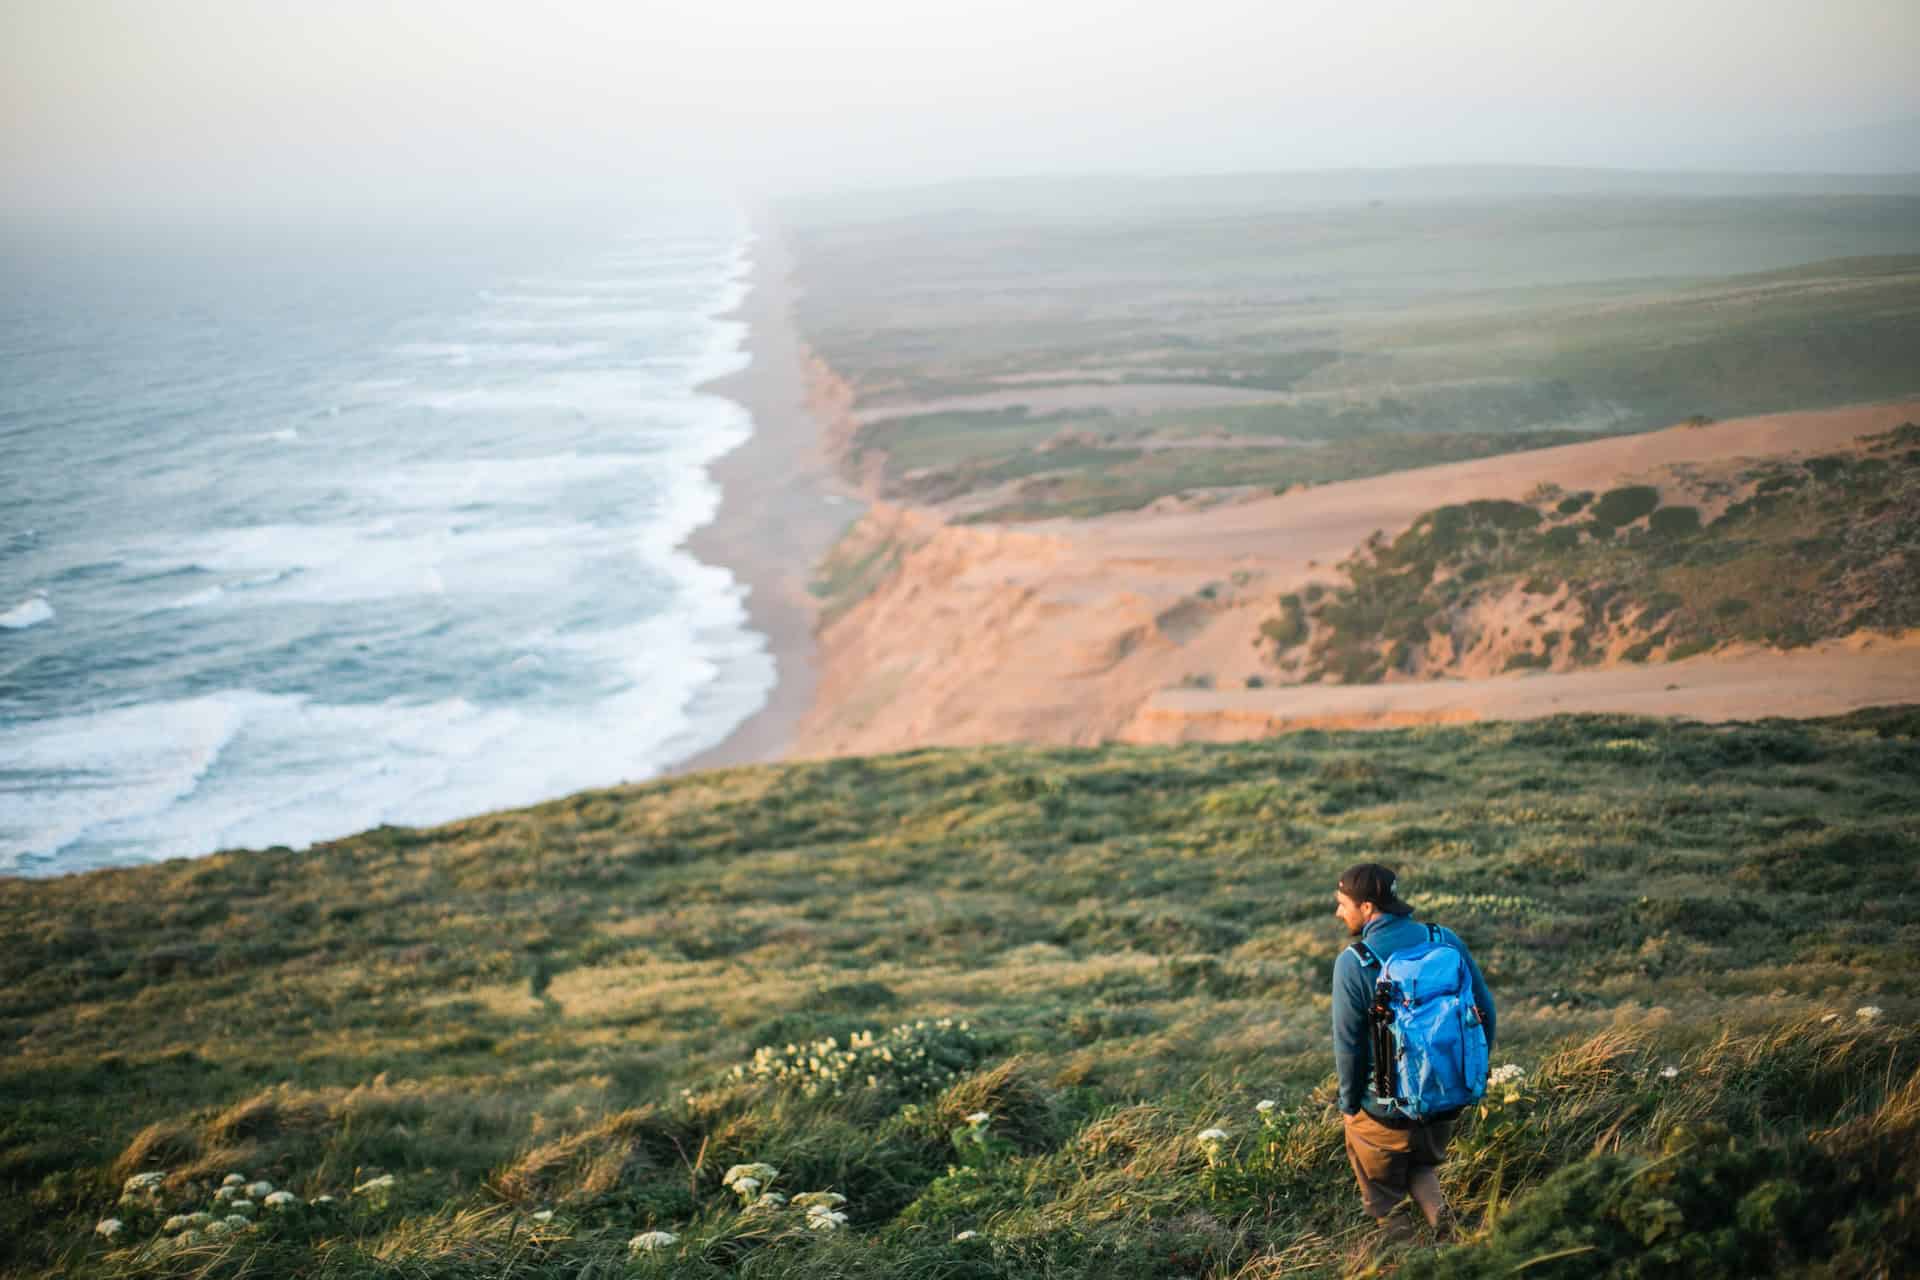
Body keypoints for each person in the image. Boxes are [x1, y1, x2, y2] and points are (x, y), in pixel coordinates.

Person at [1331, 862, 1495, 1244]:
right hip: (1446, 1099)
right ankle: (1450, 1234)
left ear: (1368, 907)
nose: (1339, 912)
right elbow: (1484, 1011)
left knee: (1385, 1195)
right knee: (1420, 1164)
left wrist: (1349, 1104)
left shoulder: (1354, 963)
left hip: (1386, 1109)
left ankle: (1405, 1257)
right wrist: (1470, 1074)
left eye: (1343, 904)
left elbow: (1349, 1046)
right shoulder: (1444, 938)